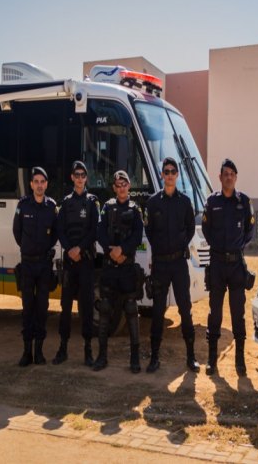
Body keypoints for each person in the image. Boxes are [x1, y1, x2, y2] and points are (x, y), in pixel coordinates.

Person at [145, 157, 199, 373]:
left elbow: (190, 228)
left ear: (177, 175)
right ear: (162, 175)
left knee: (185, 310)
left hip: (178, 264)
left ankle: (191, 357)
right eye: (166, 171)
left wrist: (179, 244)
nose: (169, 175)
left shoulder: (185, 202)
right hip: (160, 265)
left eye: (172, 171)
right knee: (158, 311)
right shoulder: (152, 203)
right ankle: (154, 357)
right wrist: (160, 248)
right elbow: (149, 230)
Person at [202, 158, 254, 376]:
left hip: (235, 267)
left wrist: (236, 247)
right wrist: (218, 247)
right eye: (225, 173)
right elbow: (206, 229)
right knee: (215, 314)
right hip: (216, 264)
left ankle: (239, 361)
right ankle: (212, 361)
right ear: (220, 177)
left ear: (236, 177)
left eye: (232, 173)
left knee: (237, 314)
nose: (229, 177)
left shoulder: (244, 201)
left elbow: (250, 231)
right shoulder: (212, 202)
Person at [94, 170, 144, 373]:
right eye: (118, 184)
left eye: (125, 184)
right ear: (114, 188)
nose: (122, 187)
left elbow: (137, 236)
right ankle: (102, 356)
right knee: (105, 311)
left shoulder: (135, 209)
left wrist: (122, 250)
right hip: (109, 267)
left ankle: (134, 358)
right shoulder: (107, 207)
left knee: (131, 312)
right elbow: (99, 232)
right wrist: (110, 250)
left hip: (127, 267)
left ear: (129, 186)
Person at [52, 161, 100, 367]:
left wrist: (79, 249)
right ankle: (62, 348)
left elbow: (94, 231)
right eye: (76, 175)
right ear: (72, 177)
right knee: (65, 306)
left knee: (87, 307)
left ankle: (88, 350)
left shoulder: (92, 203)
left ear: (86, 178)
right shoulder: (65, 203)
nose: (80, 178)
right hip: (70, 263)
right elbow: (59, 230)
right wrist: (70, 249)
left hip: (86, 262)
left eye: (83, 175)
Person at [13, 166, 58, 367]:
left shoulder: (51, 207)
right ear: (31, 184)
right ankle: (26, 352)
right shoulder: (23, 205)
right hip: (28, 265)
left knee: (42, 308)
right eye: (36, 182)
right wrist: (28, 248)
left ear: (46, 184)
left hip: (44, 265)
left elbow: (56, 233)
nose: (39, 185)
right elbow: (17, 232)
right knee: (27, 308)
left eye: (43, 182)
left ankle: (39, 352)